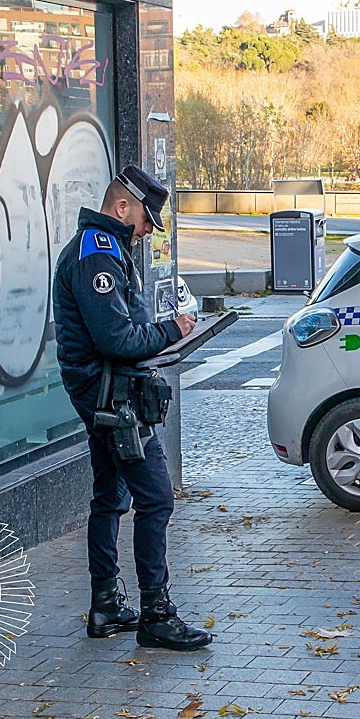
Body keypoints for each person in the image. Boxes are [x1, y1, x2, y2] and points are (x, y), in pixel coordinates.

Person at [53, 164, 212, 651]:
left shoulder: (105, 248)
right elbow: (117, 338)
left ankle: (105, 604)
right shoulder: (97, 256)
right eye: (145, 221)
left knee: (110, 497)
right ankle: (156, 613)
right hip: (113, 398)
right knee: (157, 499)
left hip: (107, 393)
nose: (146, 232)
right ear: (123, 207)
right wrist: (173, 332)